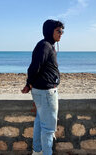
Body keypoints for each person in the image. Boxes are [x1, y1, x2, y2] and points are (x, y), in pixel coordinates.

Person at [21, 19, 64, 155]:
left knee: (40, 122)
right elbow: (34, 67)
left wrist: (29, 84)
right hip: (46, 93)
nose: (61, 34)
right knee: (48, 129)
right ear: (50, 31)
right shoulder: (45, 46)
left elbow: (37, 67)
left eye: (62, 31)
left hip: (42, 92)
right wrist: (29, 83)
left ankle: (37, 151)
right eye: (58, 31)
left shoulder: (46, 45)